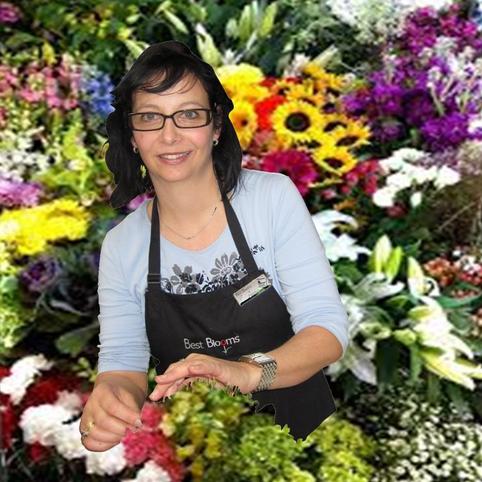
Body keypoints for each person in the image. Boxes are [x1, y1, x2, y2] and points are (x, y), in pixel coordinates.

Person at [79, 40, 349, 451]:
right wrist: (110, 400)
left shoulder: (270, 198)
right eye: (150, 118)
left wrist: (247, 371)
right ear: (132, 136)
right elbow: (123, 362)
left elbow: (326, 330)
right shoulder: (122, 245)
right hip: (203, 449)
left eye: (188, 115)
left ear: (216, 126)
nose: (170, 136)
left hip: (307, 440)